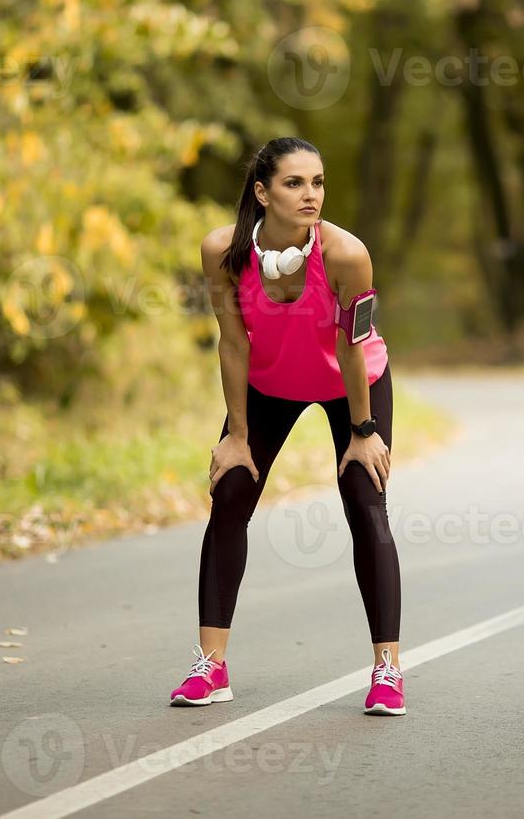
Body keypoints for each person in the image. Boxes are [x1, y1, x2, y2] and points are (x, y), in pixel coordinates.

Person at [168, 137, 406, 716]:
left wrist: (363, 429)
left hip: (349, 382)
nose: (311, 195)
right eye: (294, 183)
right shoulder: (224, 252)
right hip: (270, 383)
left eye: (318, 183)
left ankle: (387, 671)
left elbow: (353, 347)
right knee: (230, 494)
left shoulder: (348, 255)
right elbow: (231, 342)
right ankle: (211, 667)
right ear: (262, 192)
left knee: (362, 497)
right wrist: (237, 436)